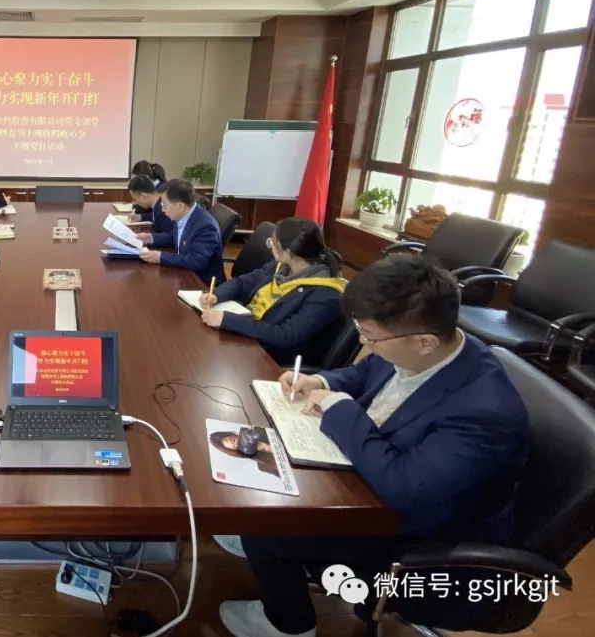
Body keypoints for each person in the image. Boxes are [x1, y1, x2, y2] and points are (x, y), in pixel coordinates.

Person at [216, 256, 530, 637]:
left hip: (415, 537)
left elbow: (403, 490)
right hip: (369, 473)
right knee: (263, 460)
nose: (365, 345)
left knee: (271, 523)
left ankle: (288, 624)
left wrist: (340, 410)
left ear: (425, 341)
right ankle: (255, 541)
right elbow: (365, 371)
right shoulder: (427, 345)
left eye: (370, 338)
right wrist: (323, 383)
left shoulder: (486, 413)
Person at [200, 218, 346, 365]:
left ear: (288, 253)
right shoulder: (282, 266)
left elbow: (284, 334)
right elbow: (244, 282)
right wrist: (217, 294)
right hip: (246, 333)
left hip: (268, 355)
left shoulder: (326, 294)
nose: (270, 247)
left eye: (273, 243)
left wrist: (227, 320)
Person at [135, 179, 225, 286]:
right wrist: (151, 238)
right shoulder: (184, 214)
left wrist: (160, 257)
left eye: (165, 205)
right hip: (184, 272)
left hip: (202, 283)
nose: (163, 210)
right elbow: (175, 236)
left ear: (180, 206)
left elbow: (196, 261)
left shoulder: (206, 226)